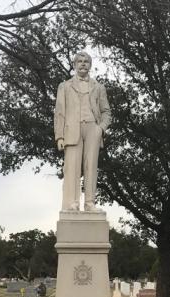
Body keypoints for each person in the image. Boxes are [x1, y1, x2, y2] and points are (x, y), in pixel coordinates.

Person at [54, 51, 111, 211]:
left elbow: (106, 111)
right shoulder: (64, 86)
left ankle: (90, 203)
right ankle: (73, 202)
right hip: (72, 129)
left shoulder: (98, 87)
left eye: (86, 61)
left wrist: (101, 129)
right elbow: (59, 112)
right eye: (79, 61)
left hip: (93, 127)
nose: (83, 63)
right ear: (74, 65)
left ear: (90, 65)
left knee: (91, 166)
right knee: (72, 166)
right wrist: (59, 136)